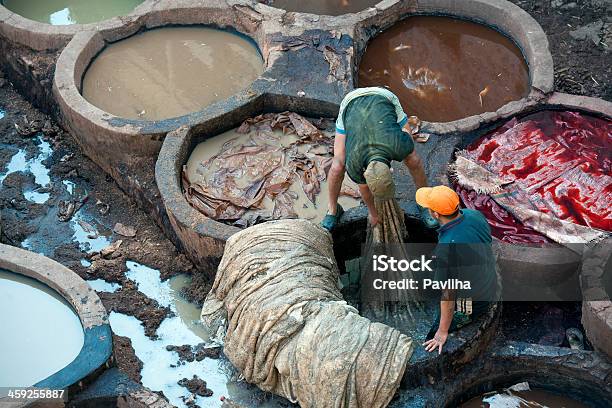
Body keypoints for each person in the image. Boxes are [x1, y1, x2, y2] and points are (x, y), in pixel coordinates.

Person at [320, 87, 437, 231]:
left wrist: (398, 131)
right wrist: (373, 213)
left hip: (383, 97)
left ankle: (424, 199)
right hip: (351, 104)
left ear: (390, 170)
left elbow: (408, 134)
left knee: (413, 159)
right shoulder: (355, 165)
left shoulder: (399, 145)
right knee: (337, 166)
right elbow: (364, 189)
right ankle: (332, 209)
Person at [416, 185, 498, 354]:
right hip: (487, 278)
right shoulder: (473, 215)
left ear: (435, 214)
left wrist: (442, 331)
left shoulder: (448, 248)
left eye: (429, 208)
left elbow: (448, 296)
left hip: (475, 301)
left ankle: (441, 331)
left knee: (437, 329)